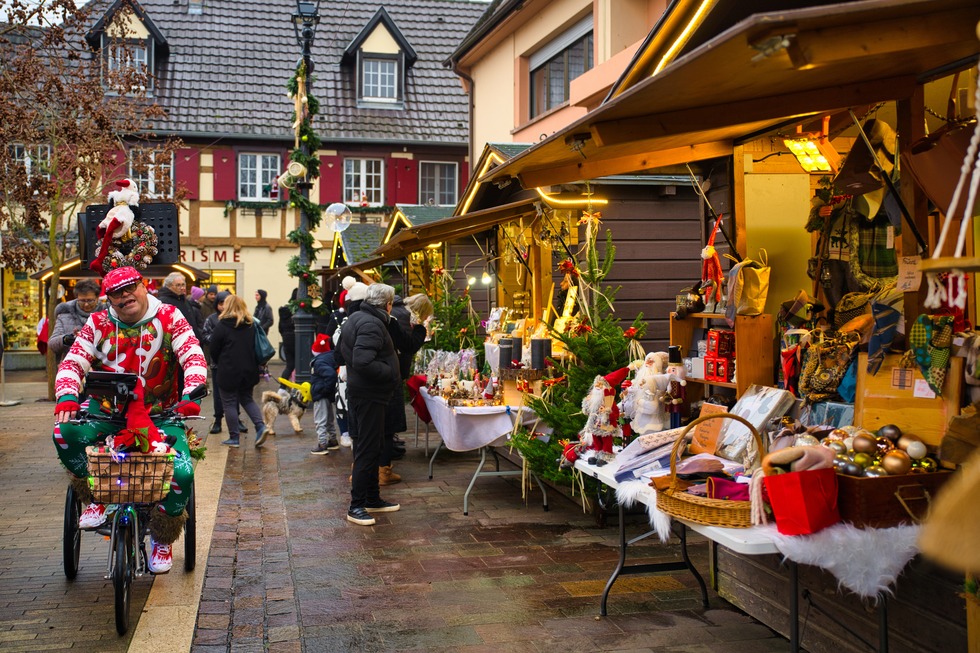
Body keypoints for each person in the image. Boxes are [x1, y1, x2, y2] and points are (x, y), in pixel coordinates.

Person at [53, 266, 207, 574]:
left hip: (159, 417)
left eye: (130, 289)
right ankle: (95, 493)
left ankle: (162, 537)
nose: (124, 297)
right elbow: (73, 360)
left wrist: (191, 393)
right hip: (105, 414)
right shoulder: (98, 322)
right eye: (116, 294)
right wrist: (68, 394)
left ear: (142, 285)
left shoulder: (169, 317)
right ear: (108, 297)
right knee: (63, 432)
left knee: (183, 473)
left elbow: (192, 355)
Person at [335, 283, 401, 526]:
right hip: (369, 394)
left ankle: (372, 498)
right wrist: (389, 372)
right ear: (387, 304)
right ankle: (357, 505)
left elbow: (340, 352)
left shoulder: (357, 317)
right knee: (366, 448)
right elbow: (363, 360)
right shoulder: (372, 323)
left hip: (365, 393)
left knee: (370, 446)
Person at [378, 294, 431, 484]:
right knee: (387, 424)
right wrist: (420, 331)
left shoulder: (393, 313)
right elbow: (408, 346)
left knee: (373, 426)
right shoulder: (403, 318)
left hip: (379, 375)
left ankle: (368, 469)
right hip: (391, 374)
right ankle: (383, 471)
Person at [209, 294, 269, 448]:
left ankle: (234, 437)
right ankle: (260, 426)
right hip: (249, 370)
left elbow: (213, 349)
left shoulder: (222, 326)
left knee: (229, 403)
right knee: (247, 399)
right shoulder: (250, 325)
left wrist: (219, 360)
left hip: (228, 371)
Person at [200, 291, 246, 436]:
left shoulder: (237, 319)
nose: (223, 306)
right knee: (219, 395)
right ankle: (218, 420)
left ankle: (236, 419)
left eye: (226, 302)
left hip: (234, 363)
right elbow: (205, 335)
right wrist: (218, 340)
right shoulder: (212, 319)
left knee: (236, 393)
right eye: (221, 303)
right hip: (217, 363)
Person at [49, 279, 104, 363]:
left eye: (90, 300)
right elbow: (52, 344)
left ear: (97, 298)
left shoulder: (106, 314)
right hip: (72, 365)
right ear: (77, 298)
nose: (86, 304)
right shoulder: (65, 315)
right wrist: (66, 339)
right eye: (82, 301)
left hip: (101, 366)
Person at [309, 333, 340, 455]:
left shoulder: (319, 362)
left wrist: (324, 390)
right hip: (327, 393)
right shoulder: (330, 356)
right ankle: (332, 440)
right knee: (329, 418)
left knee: (320, 419)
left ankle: (322, 444)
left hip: (320, 393)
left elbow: (330, 375)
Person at [158, 272, 203, 341]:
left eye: (183, 285)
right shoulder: (164, 302)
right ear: (169, 286)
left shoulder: (184, 300)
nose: (182, 288)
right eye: (178, 285)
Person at [279, 289, 297, 384]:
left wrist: (285, 336)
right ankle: (296, 386)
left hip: (286, 339)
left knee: (289, 366)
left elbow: (280, 327)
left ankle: (282, 388)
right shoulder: (297, 309)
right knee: (301, 364)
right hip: (296, 339)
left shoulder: (284, 310)